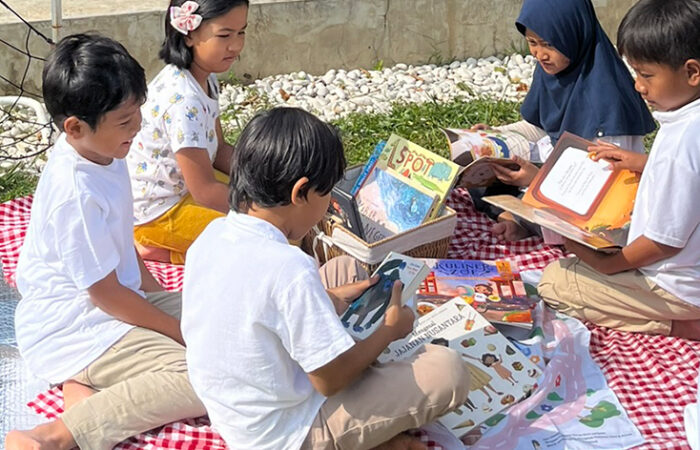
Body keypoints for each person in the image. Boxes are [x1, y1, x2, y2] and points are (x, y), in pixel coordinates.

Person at [181, 107, 471, 449]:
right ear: (301, 192)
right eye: (328, 191)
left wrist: (329, 298)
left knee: (344, 269)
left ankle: (373, 411)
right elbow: (328, 381)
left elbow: (255, 306)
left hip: (237, 412)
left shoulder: (212, 234)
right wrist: (390, 331)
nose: (330, 201)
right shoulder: (288, 267)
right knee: (446, 371)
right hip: (286, 432)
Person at [5, 34, 205, 450]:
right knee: (202, 373)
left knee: (219, 320)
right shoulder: (76, 192)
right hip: (73, 325)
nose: (139, 127)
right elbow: (105, 293)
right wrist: (174, 330)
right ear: (75, 127)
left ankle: (82, 384)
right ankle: (53, 436)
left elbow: (119, 244)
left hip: (111, 300)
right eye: (125, 121)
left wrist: (162, 299)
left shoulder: (100, 151)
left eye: (138, 113)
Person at [538, 0, 700, 340]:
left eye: (646, 75)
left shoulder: (683, 139)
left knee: (556, 281)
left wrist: (608, 265)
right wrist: (643, 163)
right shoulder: (687, 122)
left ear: (692, 73)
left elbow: (664, 243)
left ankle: (681, 326)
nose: (638, 86)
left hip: (677, 287)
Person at [469, 0, 655, 240]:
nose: (539, 54)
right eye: (532, 43)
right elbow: (538, 126)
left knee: (514, 199)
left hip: (589, 196)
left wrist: (536, 180)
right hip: (553, 172)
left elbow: (600, 186)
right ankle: (520, 218)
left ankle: (522, 221)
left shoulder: (607, 97)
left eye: (548, 44)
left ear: (574, 35)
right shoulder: (554, 70)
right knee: (483, 183)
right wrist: (496, 135)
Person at [127, 0, 248, 264]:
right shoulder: (184, 100)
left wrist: (265, 177)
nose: (236, 45)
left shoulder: (205, 78)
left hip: (185, 186)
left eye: (241, 32)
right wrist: (263, 210)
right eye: (225, 35)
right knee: (267, 238)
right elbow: (205, 190)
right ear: (188, 35)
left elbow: (218, 150)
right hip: (160, 211)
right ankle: (159, 247)